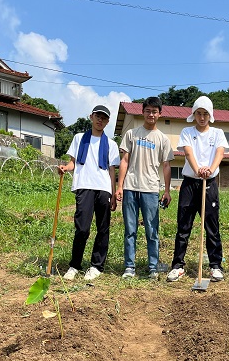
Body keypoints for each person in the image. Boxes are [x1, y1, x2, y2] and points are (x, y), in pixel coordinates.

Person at [166, 96, 229, 283]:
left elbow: (220, 153)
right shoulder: (187, 131)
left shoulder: (217, 133)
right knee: (183, 225)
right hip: (190, 183)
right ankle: (177, 266)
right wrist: (197, 170)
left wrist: (209, 170)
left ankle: (215, 266)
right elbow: (188, 152)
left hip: (209, 183)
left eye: (205, 114)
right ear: (193, 115)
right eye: (199, 114)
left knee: (212, 226)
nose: (202, 117)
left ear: (211, 115)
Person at [115, 96, 174, 279]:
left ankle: (153, 267)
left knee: (152, 230)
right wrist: (119, 186)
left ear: (159, 114)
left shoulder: (163, 139)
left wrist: (166, 190)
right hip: (131, 187)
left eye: (154, 111)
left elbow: (166, 165)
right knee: (130, 229)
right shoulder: (131, 134)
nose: (151, 114)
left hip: (150, 189)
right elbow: (124, 161)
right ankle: (129, 267)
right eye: (147, 110)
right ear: (142, 112)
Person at [59, 105, 120, 281]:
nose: (100, 120)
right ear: (91, 117)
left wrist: (114, 194)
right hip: (84, 186)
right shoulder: (79, 138)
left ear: (107, 121)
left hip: (103, 189)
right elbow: (73, 163)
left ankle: (96, 266)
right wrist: (65, 168)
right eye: (97, 116)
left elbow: (111, 171)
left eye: (104, 118)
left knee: (103, 228)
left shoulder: (111, 144)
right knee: (82, 228)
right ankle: (74, 265)